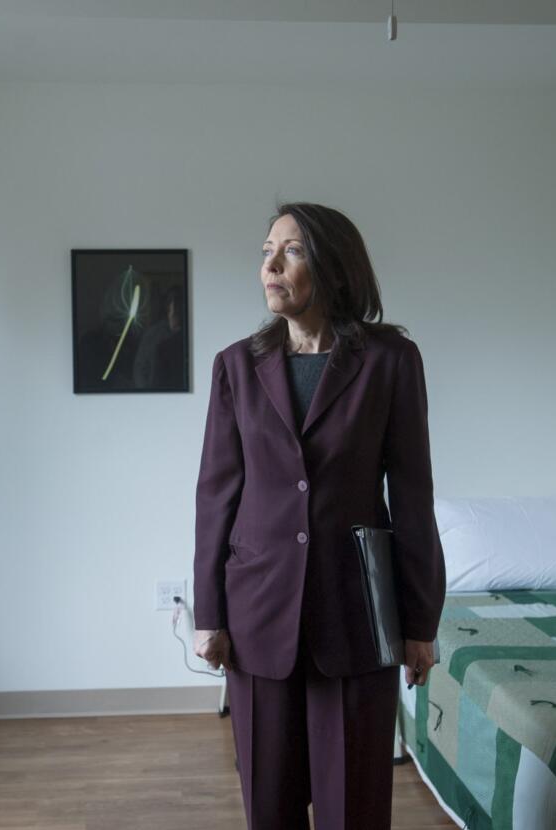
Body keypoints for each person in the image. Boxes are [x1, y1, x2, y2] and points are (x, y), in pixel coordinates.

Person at [192, 203, 445, 830]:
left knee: (353, 810)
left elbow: (412, 495)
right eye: (266, 252)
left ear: (331, 265)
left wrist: (420, 621)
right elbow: (215, 496)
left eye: (292, 251)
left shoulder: (390, 362)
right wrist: (208, 613)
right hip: (258, 615)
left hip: (356, 617)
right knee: (270, 808)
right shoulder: (236, 365)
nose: (271, 266)